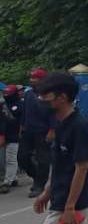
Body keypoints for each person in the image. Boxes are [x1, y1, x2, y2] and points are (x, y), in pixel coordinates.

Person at [27, 71, 88, 224]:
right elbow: (59, 166)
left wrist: (70, 207)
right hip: (61, 198)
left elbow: (81, 168)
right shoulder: (61, 124)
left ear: (62, 97)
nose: (40, 100)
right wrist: (47, 193)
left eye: (45, 95)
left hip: (69, 203)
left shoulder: (79, 126)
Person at [19, 68, 57, 198]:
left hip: (43, 132)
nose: (31, 80)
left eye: (34, 78)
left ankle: (40, 184)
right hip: (28, 131)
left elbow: (53, 114)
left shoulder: (49, 95)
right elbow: (24, 111)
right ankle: (36, 176)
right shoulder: (29, 94)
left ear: (42, 80)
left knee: (43, 159)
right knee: (22, 157)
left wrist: (52, 130)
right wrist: (22, 126)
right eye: (31, 78)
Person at [0, 85, 22, 193]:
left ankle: (7, 181)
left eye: (8, 93)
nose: (6, 95)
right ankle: (14, 178)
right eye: (5, 93)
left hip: (14, 135)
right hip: (3, 135)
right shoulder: (3, 106)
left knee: (10, 159)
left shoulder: (19, 105)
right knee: (4, 159)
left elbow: (19, 121)